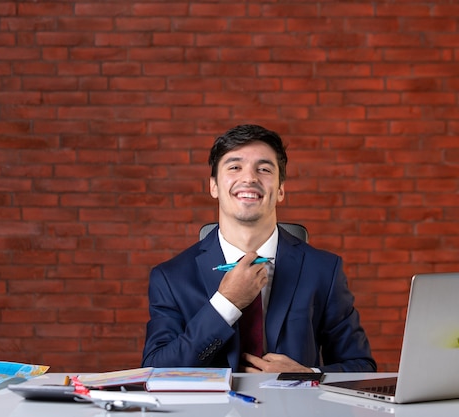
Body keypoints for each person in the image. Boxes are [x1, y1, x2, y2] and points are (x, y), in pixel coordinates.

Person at [142, 124, 376, 373]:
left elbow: (361, 367)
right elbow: (157, 371)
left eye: (264, 169)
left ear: (281, 189)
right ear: (213, 186)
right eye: (234, 167)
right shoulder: (171, 277)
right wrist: (226, 303)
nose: (250, 178)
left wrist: (309, 377)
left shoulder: (324, 270)